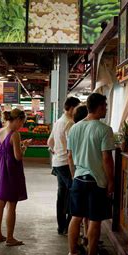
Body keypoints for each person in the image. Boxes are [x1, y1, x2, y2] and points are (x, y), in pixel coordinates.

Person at [65, 93, 115, 255]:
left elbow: (70, 156)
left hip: (78, 178)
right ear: (100, 107)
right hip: (96, 181)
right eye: (105, 106)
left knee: (75, 217)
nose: (106, 109)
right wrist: (111, 181)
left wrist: (74, 176)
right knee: (94, 219)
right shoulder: (104, 130)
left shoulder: (74, 128)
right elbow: (107, 159)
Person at [0, 109, 30, 246]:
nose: (21, 126)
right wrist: (24, 147)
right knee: (11, 205)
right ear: (18, 120)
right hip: (10, 170)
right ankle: (10, 238)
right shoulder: (15, 134)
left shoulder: (0, 131)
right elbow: (18, 157)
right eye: (22, 122)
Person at [47, 97, 80, 235]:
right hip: (67, 164)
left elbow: (50, 142)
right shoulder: (70, 124)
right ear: (72, 108)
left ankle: (61, 227)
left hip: (57, 163)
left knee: (62, 195)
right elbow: (71, 149)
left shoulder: (58, 122)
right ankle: (69, 226)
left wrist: (56, 151)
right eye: (77, 108)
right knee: (75, 194)